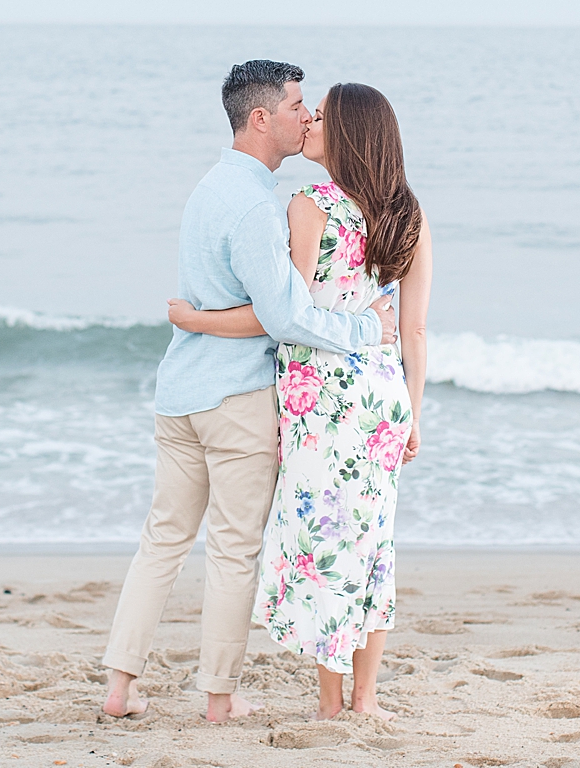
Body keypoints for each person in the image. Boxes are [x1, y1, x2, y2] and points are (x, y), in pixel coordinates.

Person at [100, 61, 398, 723]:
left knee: (164, 540)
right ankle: (219, 696)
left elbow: (232, 302)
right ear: (261, 118)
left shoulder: (208, 189)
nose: (306, 117)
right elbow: (287, 316)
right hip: (234, 400)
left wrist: (197, 320)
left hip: (179, 392)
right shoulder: (259, 207)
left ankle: (120, 687)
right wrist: (365, 328)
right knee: (234, 549)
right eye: (296, 105)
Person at [167, 82, 431, 721]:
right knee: (372, 542)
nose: (308, 124)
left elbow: (286, 316)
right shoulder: (408, 213)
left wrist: (195, 321)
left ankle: (332, 702)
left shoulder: (309, 206)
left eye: (319, 118)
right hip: (382, 396)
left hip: (324, 401)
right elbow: (416, 330)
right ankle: (366, 698)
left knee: (328, 541)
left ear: (346, 135)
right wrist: (415, 414)